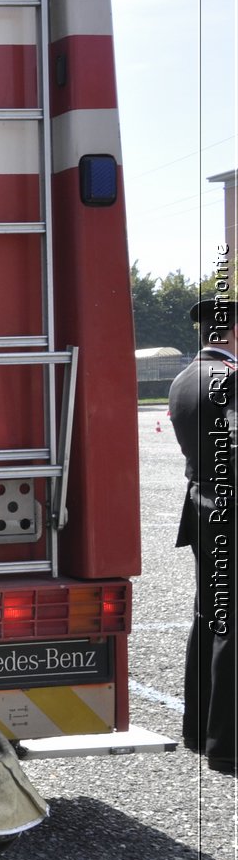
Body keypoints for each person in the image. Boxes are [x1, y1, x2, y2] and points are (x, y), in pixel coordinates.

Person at [172, 295, 236, 774]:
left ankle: (197, 730)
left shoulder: (183, 379)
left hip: (202, 505)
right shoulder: (231, 379)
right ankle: (227, 745)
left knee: (209, 617)